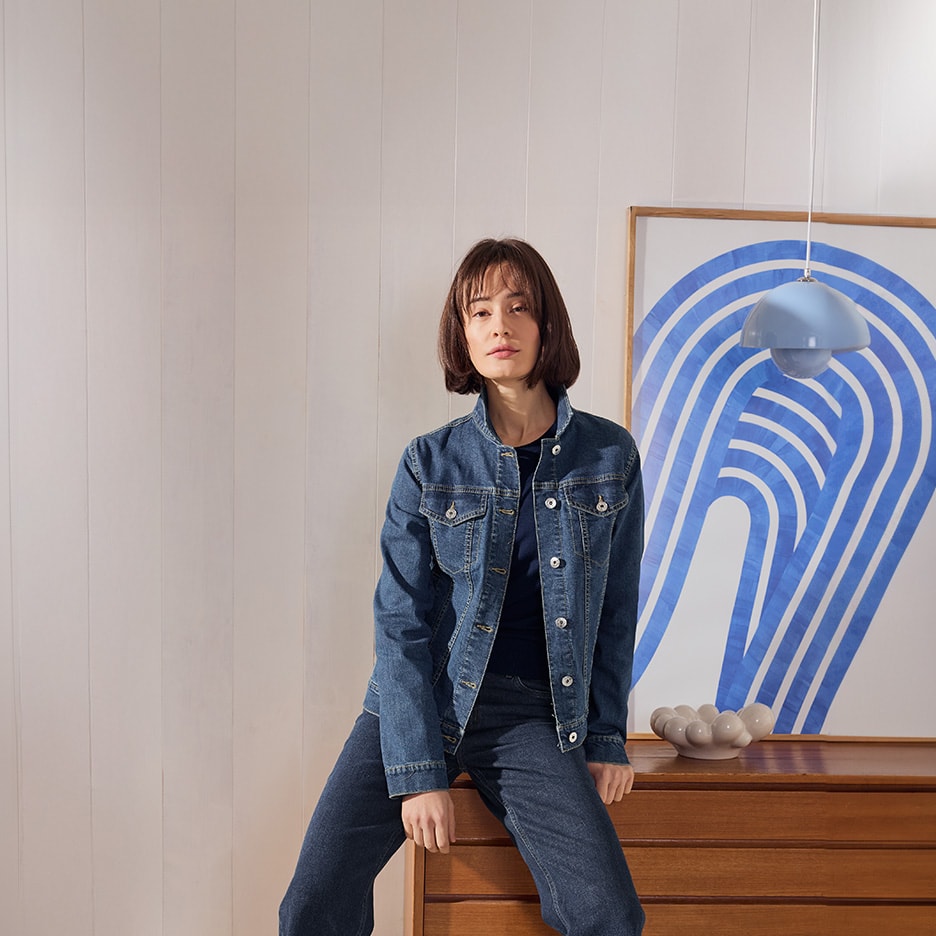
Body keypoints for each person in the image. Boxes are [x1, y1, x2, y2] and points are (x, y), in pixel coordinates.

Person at [279, 238, 646, 936]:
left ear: (547, 327)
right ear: (463, 334)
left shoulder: (608, 457)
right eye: (479, 313)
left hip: (530, 714)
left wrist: (604, 735)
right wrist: (418, 771)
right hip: (417, 700)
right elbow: (400, 621)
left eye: (518, 308)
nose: (500, 326)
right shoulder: (429, 461)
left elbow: (616, 609)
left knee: (609, 912)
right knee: (312, 906)